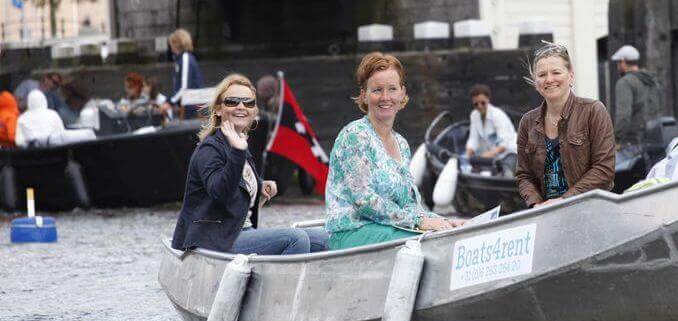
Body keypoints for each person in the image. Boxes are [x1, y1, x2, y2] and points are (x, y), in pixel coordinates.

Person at [171, 74, 327, 255]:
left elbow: (238, 179)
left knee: (323, 239)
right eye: (232, 101)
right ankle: (283, 275)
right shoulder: (210, 149)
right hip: (214, 238)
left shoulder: (238, 142)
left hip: (241, 231)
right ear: (219, 109)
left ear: (254, 111)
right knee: (296, 238)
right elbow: (220, 193)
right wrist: (238, 151)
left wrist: (260, 184)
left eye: (248, 103)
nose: (241, 106)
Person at [325, 52, 464, 250]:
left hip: (388, 228)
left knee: (449, 234)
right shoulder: (354, 136)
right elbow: (364, 201)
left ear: (402, 93)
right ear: (364, 95)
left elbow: (409, 205)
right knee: (430, 243)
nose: (385, 97)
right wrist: (419, 222)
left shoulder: (402, 144)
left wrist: (444, 221)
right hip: (352, 232)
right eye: (377, 90)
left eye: (392, 89)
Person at [515, 42, 616, 208]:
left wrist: (565, 200)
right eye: (542, 75)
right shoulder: (527, 122)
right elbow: (524, 175)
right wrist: (536, 205)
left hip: (590, 209)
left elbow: (604, 169)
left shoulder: (593, 111)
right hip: (546, 213)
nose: (549, 79)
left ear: (570, 76)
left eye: (556, 72)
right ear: (535, 81)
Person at [610, 45, 662, 145]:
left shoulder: (625, 82)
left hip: (633, 142)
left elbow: (624, 116)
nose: (618, 66)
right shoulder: (651, 81)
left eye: (618, 63)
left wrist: (615, 138)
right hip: (655, 139)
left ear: (623, 62)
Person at [466, 84, 517, 159]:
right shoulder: (474, 115)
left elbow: (504, 144)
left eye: (483, 103)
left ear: (488, 99)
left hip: (511, 154)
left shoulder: (498, 115)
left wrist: (487, 155)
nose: (480, 106)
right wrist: (468, 152)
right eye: (476, 104)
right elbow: (473, 138)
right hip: (493, 155)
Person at [162, 29, 204, 117]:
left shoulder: (185, 57)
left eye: (172, 43)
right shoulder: (182, 58)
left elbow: (184, 87)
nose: (171, 47)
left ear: (177, 44)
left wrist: (171, 102)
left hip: (189, 105)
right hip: (187, 103)